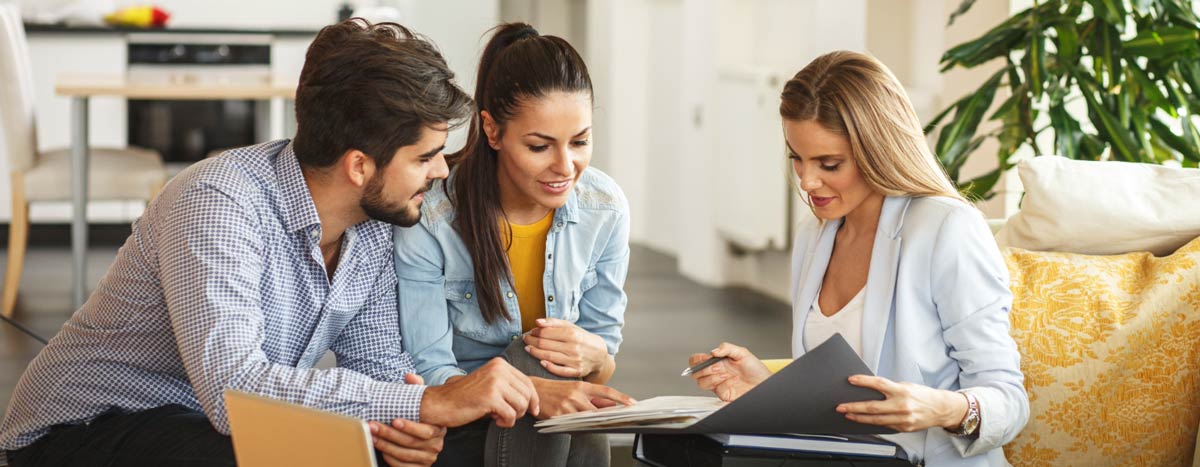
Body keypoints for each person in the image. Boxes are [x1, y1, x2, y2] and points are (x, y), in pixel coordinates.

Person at [0, 18, 540, 467]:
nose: (442, 172)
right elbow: (233, 389)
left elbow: (377, 367)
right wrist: (424, 401)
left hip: (210, 423)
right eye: (425, 157)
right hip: (81, 432)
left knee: (443, 442)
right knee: (281, 453)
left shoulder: (379, 221)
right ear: (359, 165)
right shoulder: (217, 201)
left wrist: (410, 422)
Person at [687, 51, 1028, 466]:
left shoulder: (947, 229)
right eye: (797, 157)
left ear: (877, 149)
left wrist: (942, 408)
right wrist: (766, 384)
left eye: (829, 164)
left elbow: (1009, 402)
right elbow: (842, 391)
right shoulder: (815, 235)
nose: (807, 181)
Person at [393, 23, 633, 467]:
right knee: (534, 357)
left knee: (564, 379)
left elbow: (603, 359)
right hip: (463, 426)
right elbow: (430, 373)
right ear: (492, 129)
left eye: (580, 141)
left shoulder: (605, 208)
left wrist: (596, 357)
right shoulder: (432, 217)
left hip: (555, 425)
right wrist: (535, 388)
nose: (566, 166)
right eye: (540, 146)